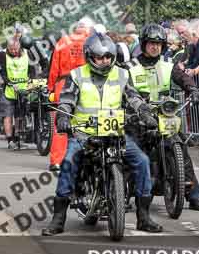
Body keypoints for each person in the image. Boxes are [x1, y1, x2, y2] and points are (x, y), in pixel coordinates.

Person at [41, 33, 164, 236]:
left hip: (115, 132)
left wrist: (144, 112)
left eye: (108, 57)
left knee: (142, 161)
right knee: (68, 163)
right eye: (100, 57)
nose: (104, 61)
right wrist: (63, 117)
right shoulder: (77, 75)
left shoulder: (122, 74)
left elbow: (133, 97)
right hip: (84, 134)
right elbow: (67, 99)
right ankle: (58, 219)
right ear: (90, 56)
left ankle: (144, 217)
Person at [128, 24, 199, 210]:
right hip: (139, 117)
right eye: (151, 43)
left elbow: (182, 77)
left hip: (164, 115)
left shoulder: (168, 65)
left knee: (182, 149)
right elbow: (125, 90)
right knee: (131, 150)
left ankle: (193, 195)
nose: (155, 47)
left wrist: (193, 89)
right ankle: (123, 194)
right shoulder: (130, 67)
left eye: (158, 44)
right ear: (144, 44)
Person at [0, 37, 43, 149]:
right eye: (11, 49)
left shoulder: (28, 53)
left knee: (20, 114)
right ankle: (10, 140)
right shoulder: (1, 55)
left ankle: (18, 139)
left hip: (24, 88)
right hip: (8, 89)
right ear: (7, 48)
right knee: (8, 115)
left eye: (16, 49)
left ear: (20, 46)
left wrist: (34, 79)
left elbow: (34, 67)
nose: (14, 51)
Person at [47, 18, 93, 171]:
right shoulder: (90, 41)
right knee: (84, 121)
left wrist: (51, 87)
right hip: (84, 84)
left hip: (63, 83)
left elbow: (54, 66)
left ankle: (56, 161)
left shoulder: (63, 41)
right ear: (88, 29)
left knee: (60, 123)